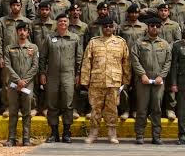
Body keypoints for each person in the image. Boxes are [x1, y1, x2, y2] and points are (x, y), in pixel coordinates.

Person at [80, 16, 130, 144]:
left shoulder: (121, 42)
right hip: (96, 81)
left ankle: (112, 133)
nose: (108, 28)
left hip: (113, 81)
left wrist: (126, 80)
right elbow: (86, 62)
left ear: (114, 28)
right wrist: (85, 80)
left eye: (110, 26)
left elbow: (126, 62)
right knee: (95, 108)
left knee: (112, 108)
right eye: (105, 26)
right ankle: (93, 133)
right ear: (102, 28)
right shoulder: (93, 42)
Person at [39, 14, 83, 143]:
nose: (63, 23)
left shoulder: (74, 38)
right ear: (56, 23)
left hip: (68, 75)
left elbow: (79, 58)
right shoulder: (49, 38)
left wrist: (78, 74)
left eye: (65, 21)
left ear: (68, 23)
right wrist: (42, 73)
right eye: (60, 21)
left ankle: (67, 132)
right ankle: (54, 133)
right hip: (52, 75)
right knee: (52, 104)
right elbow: (43, 57)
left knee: (68, 104)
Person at [130, 18, 172, 144]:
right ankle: (140, 135)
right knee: (142, 109)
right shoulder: (139, 43)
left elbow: (168, 62)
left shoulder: (164, 44)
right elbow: (134, 60)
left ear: (160, 28)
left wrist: (162, 76)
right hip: (143, 80)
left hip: (158, 81)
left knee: (157, 109)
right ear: (147, 27)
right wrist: (142, 75)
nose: (154, 28)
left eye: (157, 26)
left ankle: (156, 136)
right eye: (152, 25)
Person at [3, 21, 40, 147]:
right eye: (20, 30)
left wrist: (24, 80)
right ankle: (11, 138)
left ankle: (26, 138)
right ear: (17, 32)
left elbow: (35, 66)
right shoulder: (9, 48)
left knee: (26, 111)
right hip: (13, 84)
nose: (22, 32)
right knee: (13, 111)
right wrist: (17, 80)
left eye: (24, 30)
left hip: (27, 84)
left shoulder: (33, 48)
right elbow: (7, 66)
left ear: (28, 32)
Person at [0, 0, 30, 116]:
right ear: (10, 7)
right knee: (8, 83)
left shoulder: (27, 21)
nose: (16, 7)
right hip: (8, 57)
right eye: (14, 5)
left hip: (23, 58)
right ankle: (8, 107)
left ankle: (21, 107)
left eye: (18, 5)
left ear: (21, 6)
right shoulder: (3, 20)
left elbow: (30, 41)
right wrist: (0, 56)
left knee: (22, 82)